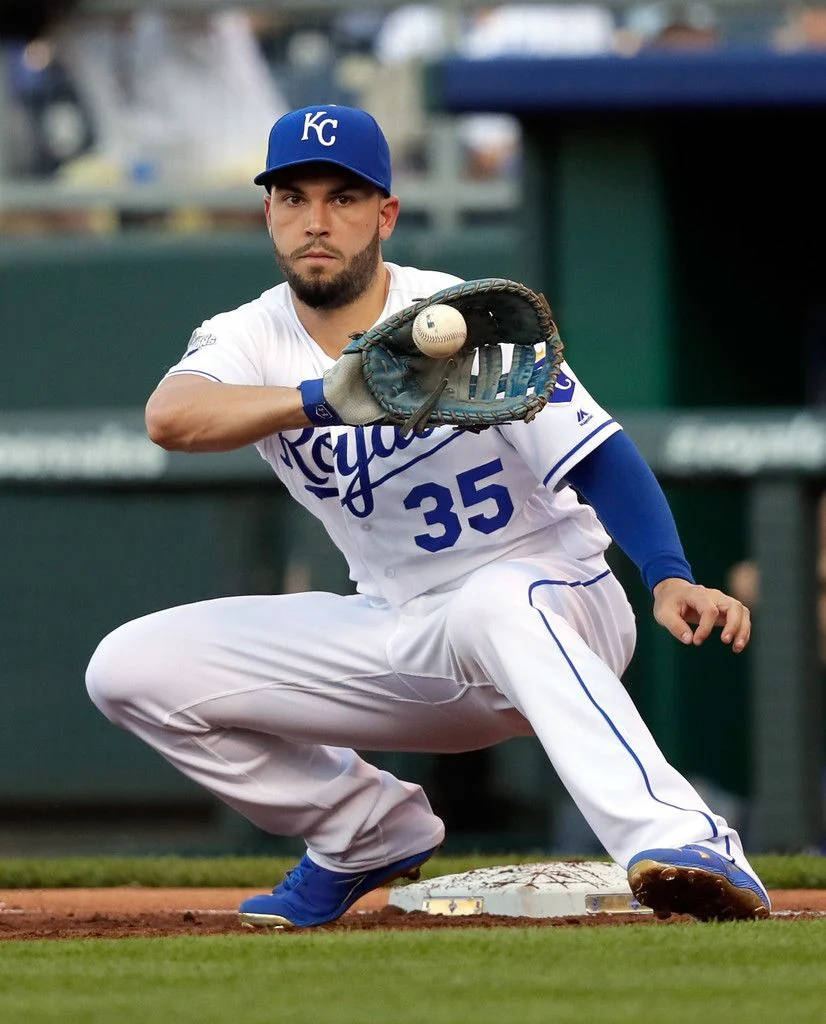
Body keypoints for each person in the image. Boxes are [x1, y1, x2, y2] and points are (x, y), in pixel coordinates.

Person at [85, 105, 770, 928]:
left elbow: (597, 452)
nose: (316, 220)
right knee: (128, 668)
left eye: (343, 198)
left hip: (561, 602)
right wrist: (324, 398)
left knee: (497, 598)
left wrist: (666, 573)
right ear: (268, 211)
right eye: (294, 197)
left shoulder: (460, 317)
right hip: (406, 630)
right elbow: (174, 417)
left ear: (385, 214)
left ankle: (688, 842)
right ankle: (365, 831)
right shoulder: (249, 334)